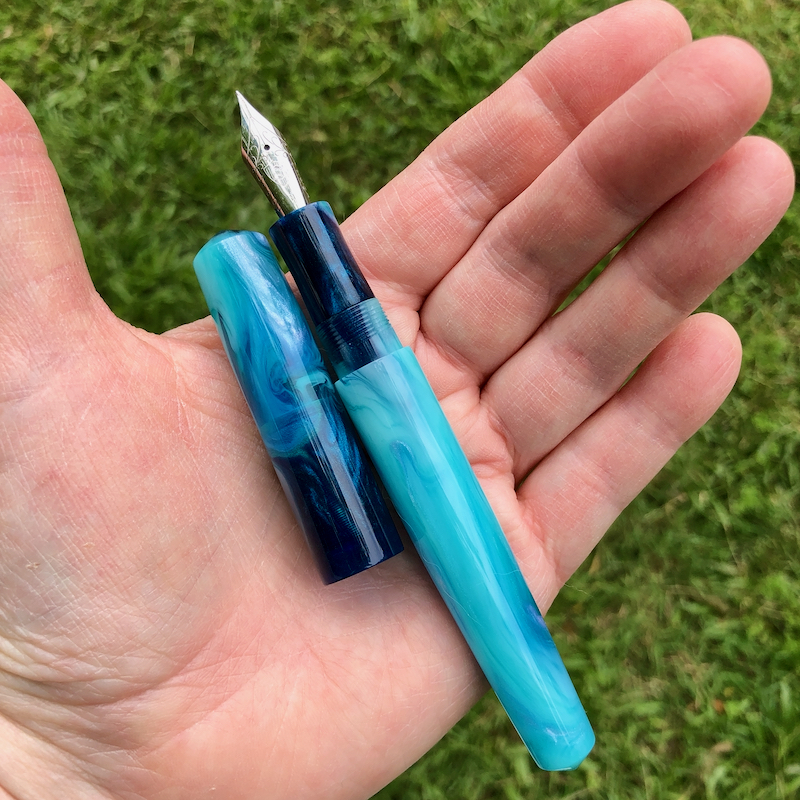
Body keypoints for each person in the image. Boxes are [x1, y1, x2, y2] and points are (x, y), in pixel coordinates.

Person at [0, 0, 793, 797]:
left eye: (264, 153)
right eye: (262, 154)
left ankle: (555, 726)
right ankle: (555, 729)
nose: (261, 145)